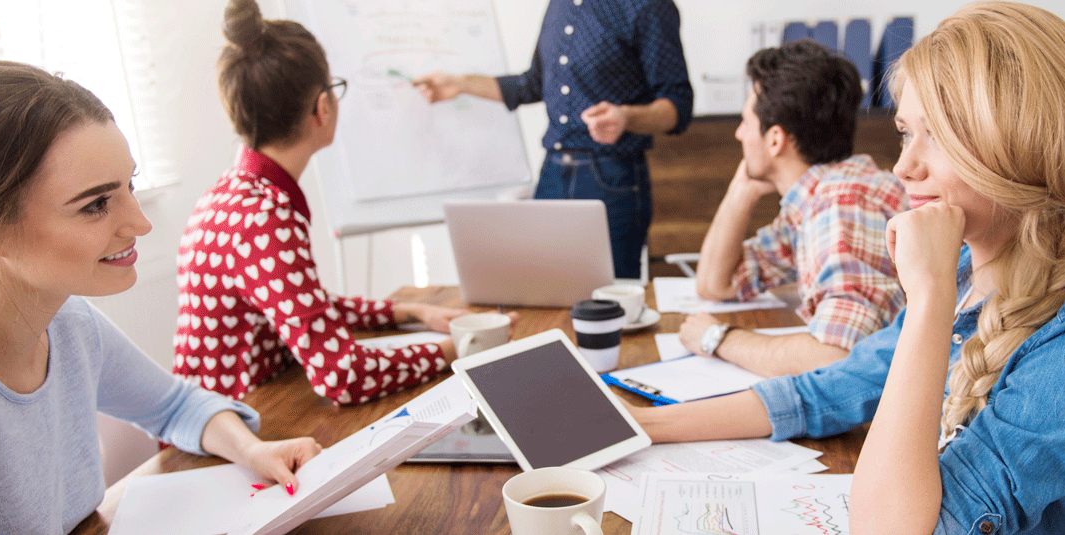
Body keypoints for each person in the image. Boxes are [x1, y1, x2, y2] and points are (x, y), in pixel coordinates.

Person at [630, 3, 1065, 533]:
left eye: (938, 138)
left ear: (1024, 151)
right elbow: (828, 391)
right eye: (905, 132)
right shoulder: (971, 269)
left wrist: (928, 298)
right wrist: (645, 428)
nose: (903, 167)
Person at [0, 60, 321, 534]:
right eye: (95, 205)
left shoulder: (67, 322)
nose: (140, 224)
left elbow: (175, 406)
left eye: (129, 185)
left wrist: (253, 450)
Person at [175, 0, 475, 406]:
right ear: (322, 107)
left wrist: (410, 312)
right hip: (241, 430)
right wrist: (461, 348)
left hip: (235, 415)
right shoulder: (265, 218)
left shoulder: (229, 195)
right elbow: (344, 375)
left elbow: (301, 307)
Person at [414, 0, 694, 280]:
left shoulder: (647, 5)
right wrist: (461, 84)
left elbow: (678, 105)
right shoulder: (560, 5)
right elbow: (533, 84)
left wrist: (626, 117)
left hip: (611, 177)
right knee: (544, 288)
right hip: (552, 174)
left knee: (611, 299)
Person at [679, 40, 905, 378]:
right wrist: (741, 192)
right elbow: (716, 284)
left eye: (745, 121)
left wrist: (718, 338)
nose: (739, 134)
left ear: (774, 140)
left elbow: (837, 359)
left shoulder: (841, 205)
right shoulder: (817, 201)